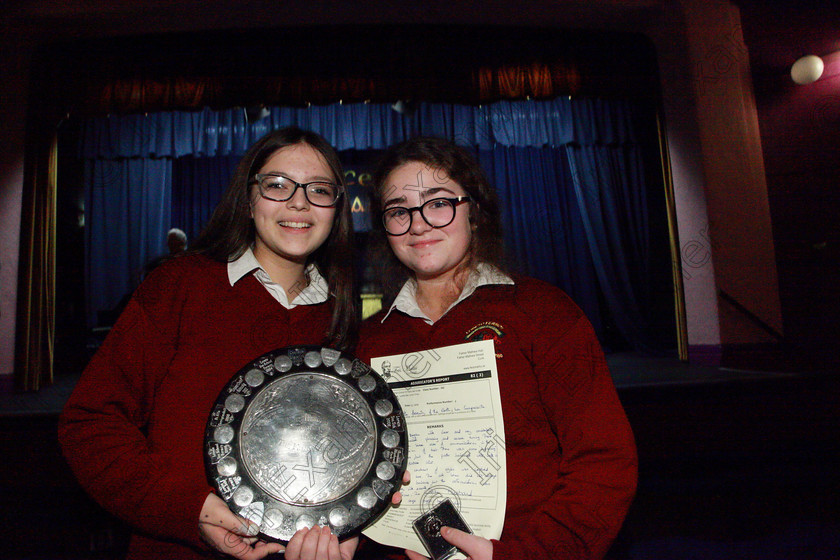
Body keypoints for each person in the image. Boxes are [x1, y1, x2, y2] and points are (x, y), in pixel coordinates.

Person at [59, 126, 390, 560]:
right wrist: (191, 510)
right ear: (249, 198)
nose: (298, 202)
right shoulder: (179, 287)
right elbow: (90, 425)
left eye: (319, 189)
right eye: (277, 185)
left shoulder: (347, 325)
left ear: (336, 209)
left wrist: (351, 531)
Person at [355, 136, 638, 560]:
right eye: (399, 211)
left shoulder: (543, 313)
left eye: (438, 203)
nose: (418, 224)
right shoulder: (367, 340)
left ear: (474, 212)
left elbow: (604, 464)